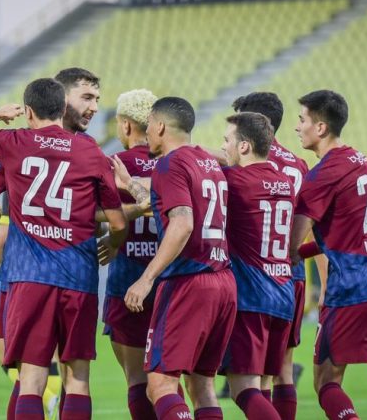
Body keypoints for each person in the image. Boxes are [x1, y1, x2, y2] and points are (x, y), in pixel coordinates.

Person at [0, 77, 127, 419]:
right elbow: (118, 223)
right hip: (78, 278)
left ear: (28, 111)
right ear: (64, 108)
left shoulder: (13, 143)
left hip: (28, 277)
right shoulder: (91, 151)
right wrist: (112, 243)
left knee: (30, 380)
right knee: (77, 380)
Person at [288, 90, 367, 420]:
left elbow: (290, 242)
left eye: (302, 120)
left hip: (351, 289)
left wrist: (289, 254)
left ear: (322, 127)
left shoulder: (320, 176)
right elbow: (352, 230)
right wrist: (309, 250)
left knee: (326, 380)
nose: (297, 127)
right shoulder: (361, 160)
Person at [116, 96, 236, 420]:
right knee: (203, 387)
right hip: (223, 281)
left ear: (159, 126)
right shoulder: (211, 164)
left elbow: (182, 223)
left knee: (160, 385)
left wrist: (146, 278)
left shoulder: (170, 163)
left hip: (189, 281)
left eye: (150, 127)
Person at [220, 112, 295, 420]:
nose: (223, 146)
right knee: (264, 385)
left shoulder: (235, 181)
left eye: (227, 140)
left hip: (252, 297)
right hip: (283, 294)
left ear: (245, 146)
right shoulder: (284, 180)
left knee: (243, 389)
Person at [101, 89, 161, 419]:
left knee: (137, 379)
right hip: (169, 280)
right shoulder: (174, 161)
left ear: (125, 125)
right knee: (167, 379)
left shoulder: (115, 164)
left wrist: (113, 237)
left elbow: (99, 216)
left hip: (127, 282)